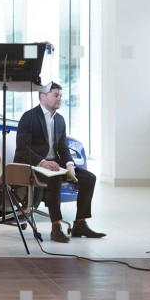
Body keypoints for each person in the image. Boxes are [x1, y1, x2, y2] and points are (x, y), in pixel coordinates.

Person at [14, 82, 105, 243]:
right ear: (43, 97)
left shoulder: (60, 120)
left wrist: (69, 164)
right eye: (56, 95)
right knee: (55, 178)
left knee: (89, 178)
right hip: (33, 166)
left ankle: (80, 224)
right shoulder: (29, 117)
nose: (59, 99)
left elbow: (63, 148)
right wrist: (42, 162)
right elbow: (22, 148)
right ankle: (56, 227)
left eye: (60, 96)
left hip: (54, 166)